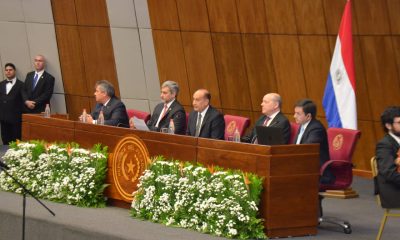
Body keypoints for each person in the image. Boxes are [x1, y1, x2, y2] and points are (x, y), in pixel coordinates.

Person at [293, 99, 335, 184]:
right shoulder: (302, 125)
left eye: (298, 114)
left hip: (317, 172)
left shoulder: (316, 129)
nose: (294, 116)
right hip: (303, 166)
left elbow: (305, 149)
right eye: (295, 113)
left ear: (308, 116)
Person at [375, 106, 400, 208]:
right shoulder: (384, 145)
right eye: (399, 122)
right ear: (388, 125)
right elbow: (389, 173)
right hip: (394, 191)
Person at [0, 63, 24, 145]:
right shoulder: (1, 84)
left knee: (17, 141)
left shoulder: (21, 85)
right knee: (5, 141)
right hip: (3, 120)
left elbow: (24, 101)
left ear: (15, 71)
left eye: (10, 70)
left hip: (16, 120)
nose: (8, 72)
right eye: (6, 70)